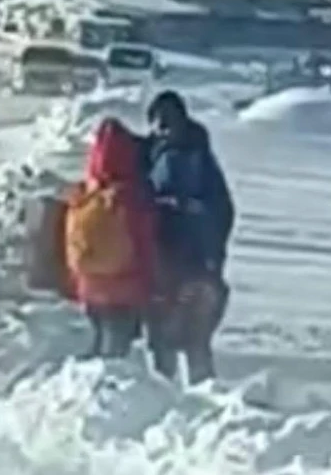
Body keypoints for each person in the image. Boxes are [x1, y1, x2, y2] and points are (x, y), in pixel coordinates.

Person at [142, 89, 235, 383]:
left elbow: (218, 211)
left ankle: (169, 399)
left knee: (171, 338)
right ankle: (196, 402)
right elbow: (224, 210)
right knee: (192, 339)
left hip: (177, 261)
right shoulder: (192, 152)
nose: (162, 128)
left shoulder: (179, 157)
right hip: (193, 261)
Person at [63, 117, 157, 359]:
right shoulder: (129, 197)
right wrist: (149, 286)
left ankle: (82, 387)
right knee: (117, 355)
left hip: (90, 287)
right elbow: (143, 244)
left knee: (100, 343)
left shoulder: (84, 194)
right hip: (123, 288)